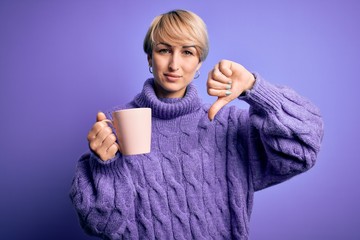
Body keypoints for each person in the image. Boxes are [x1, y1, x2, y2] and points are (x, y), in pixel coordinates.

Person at [70, 9, 324, 240]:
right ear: (149, 57)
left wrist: (255, 89)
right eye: (164, 50)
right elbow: (101, 224)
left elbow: (303, 151)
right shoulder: (116, 127)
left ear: (199, 62)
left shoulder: (228, 126)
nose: (174, 64)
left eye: (187, 52)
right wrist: (105, 167)